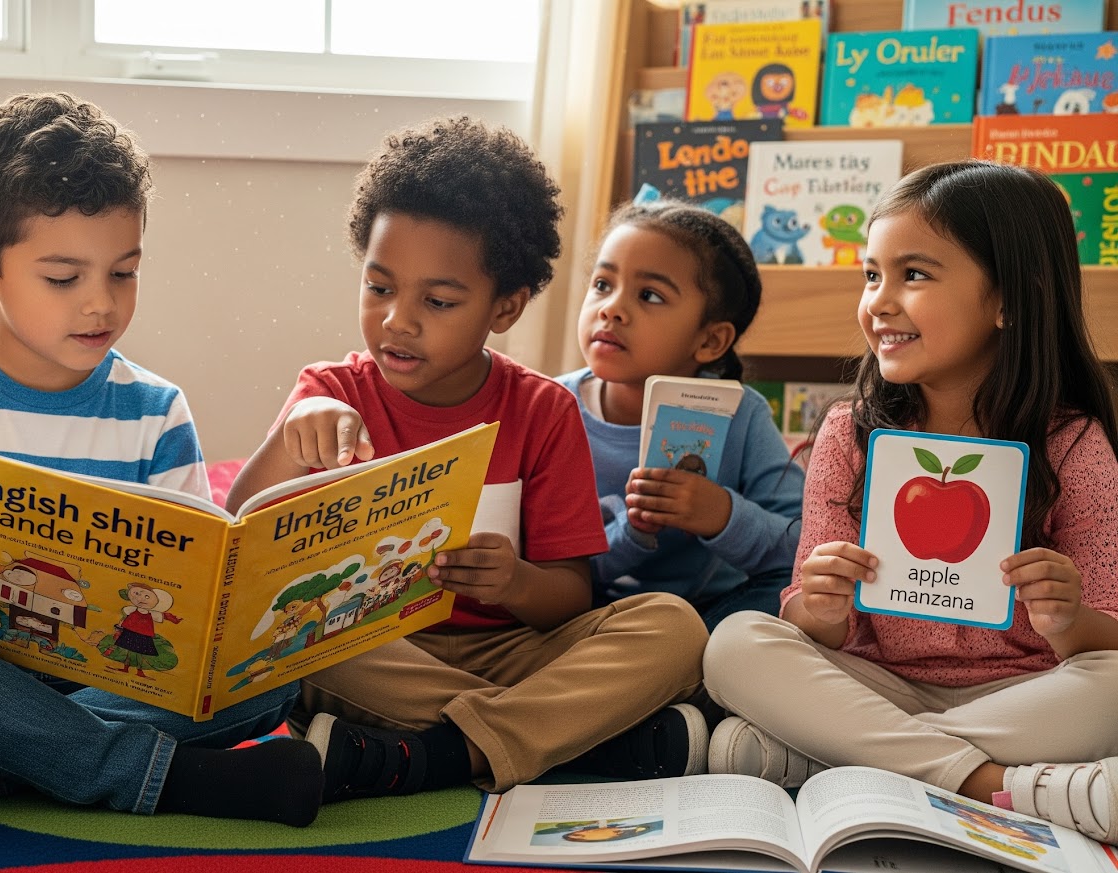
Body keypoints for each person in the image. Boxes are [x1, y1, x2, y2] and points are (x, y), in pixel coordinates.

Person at [0, 92, 324, 827]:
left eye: (123, 273)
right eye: (64, 278)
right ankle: (170, 779)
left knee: (274, 672)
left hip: (111, 681)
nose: (101, 305)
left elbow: (193, 596)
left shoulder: (155, 410)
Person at [226, 116, 710, 803]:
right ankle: (581, 736)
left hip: (509, 649)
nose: (398, 318)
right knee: (287, 640)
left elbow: (569, 596)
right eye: (379, 286)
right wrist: (289, 437)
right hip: (379, 653)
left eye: (439, 301)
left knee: (674, 626)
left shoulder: (543, 410)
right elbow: (236, 536)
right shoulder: (330, 392)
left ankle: (440, 754)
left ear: (505, 307)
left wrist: (514, 580)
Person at [703, 160, 1118, 844]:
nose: (879, 301)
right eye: (871, 275)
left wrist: (1069, 616)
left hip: (1022, 695)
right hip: (875, 683)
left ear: (1008, 298)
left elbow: (1105, 632)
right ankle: (998, 785)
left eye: (913, 275)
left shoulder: (1072, 441)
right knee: (735, 643)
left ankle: (826, 755)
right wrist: (823, 603)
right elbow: (807, 622)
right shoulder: (849, 432)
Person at [556, 201, 803, 631]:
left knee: (793, 589)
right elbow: (547, 564)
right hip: (583, 613)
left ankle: (687, 679)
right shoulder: (551, 406)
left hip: (707, 614)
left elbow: (803, 544)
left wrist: (724, 515)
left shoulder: (742, 414)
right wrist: (630, 536)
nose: (610, 309)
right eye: (601, 284)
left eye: (649, 295)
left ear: (710, 341)